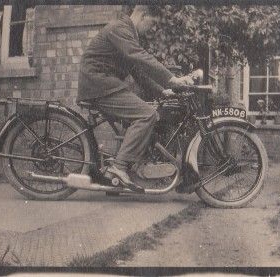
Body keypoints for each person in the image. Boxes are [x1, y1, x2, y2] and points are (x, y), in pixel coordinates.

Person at [77, 6, 193, 192]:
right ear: (143, 15)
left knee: (142, 113)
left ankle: (122, 173)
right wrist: (171, 78)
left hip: (105, 84)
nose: (151, 29)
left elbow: (137, 71)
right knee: (147, 115)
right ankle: (119, 168)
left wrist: (162, 92)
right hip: (100, 85)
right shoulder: (120, 28)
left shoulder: (126, 32)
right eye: (152, 24)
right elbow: (139, 57)